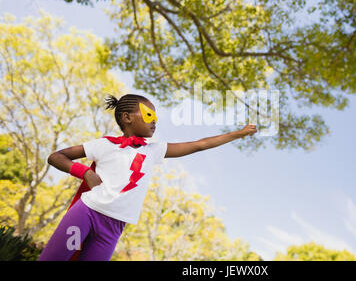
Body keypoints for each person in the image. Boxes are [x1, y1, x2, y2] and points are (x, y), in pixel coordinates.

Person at [38, 93, 257, 261]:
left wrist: (238, 133)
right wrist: (85, 172)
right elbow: (56, 157)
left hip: (113, 229)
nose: (154, 121)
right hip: (87, 214)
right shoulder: (104, 145)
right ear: (126, 118)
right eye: (148, 114)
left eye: (155, 117)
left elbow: (199, 145)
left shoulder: (153, 151)